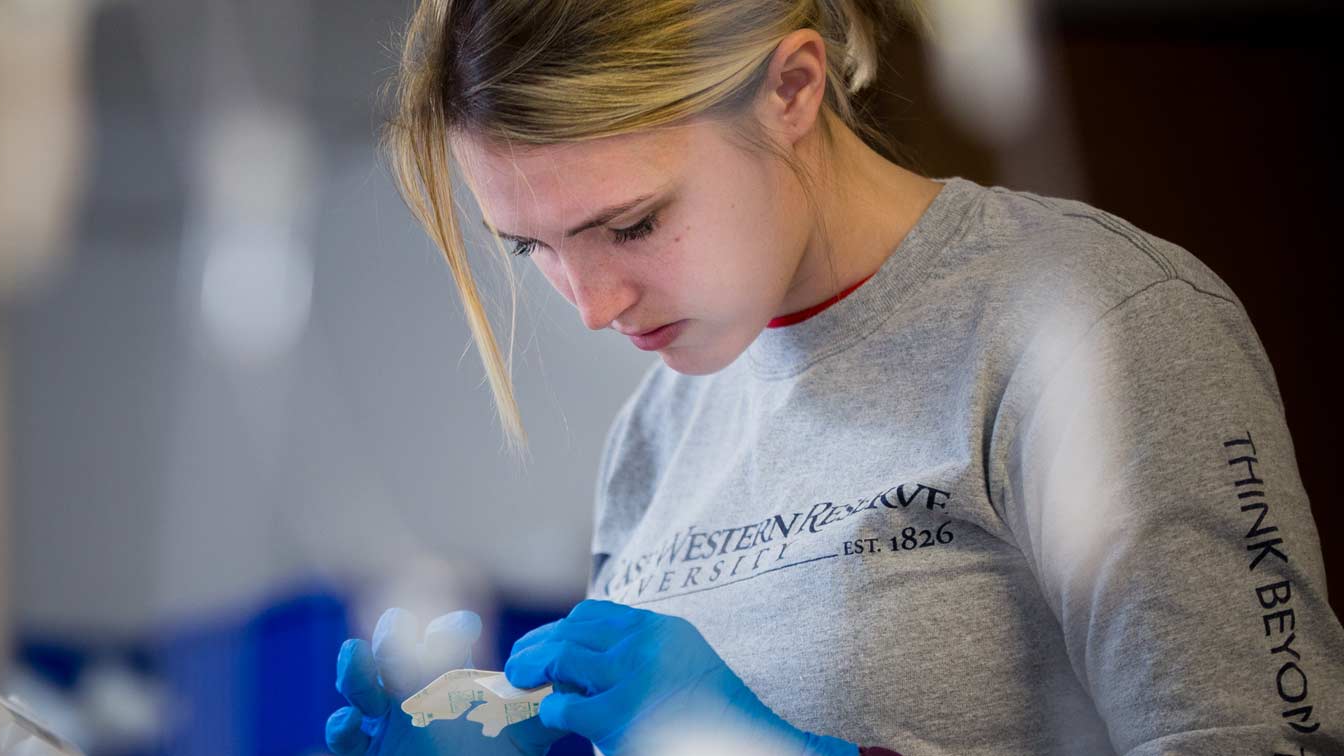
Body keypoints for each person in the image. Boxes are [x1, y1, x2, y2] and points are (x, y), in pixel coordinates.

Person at [322, 0, 1344, 755]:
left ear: (791, 89)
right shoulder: (658, 430)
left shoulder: (1093, 327)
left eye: (629, 224)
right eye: (527, 249)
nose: (591, 305)